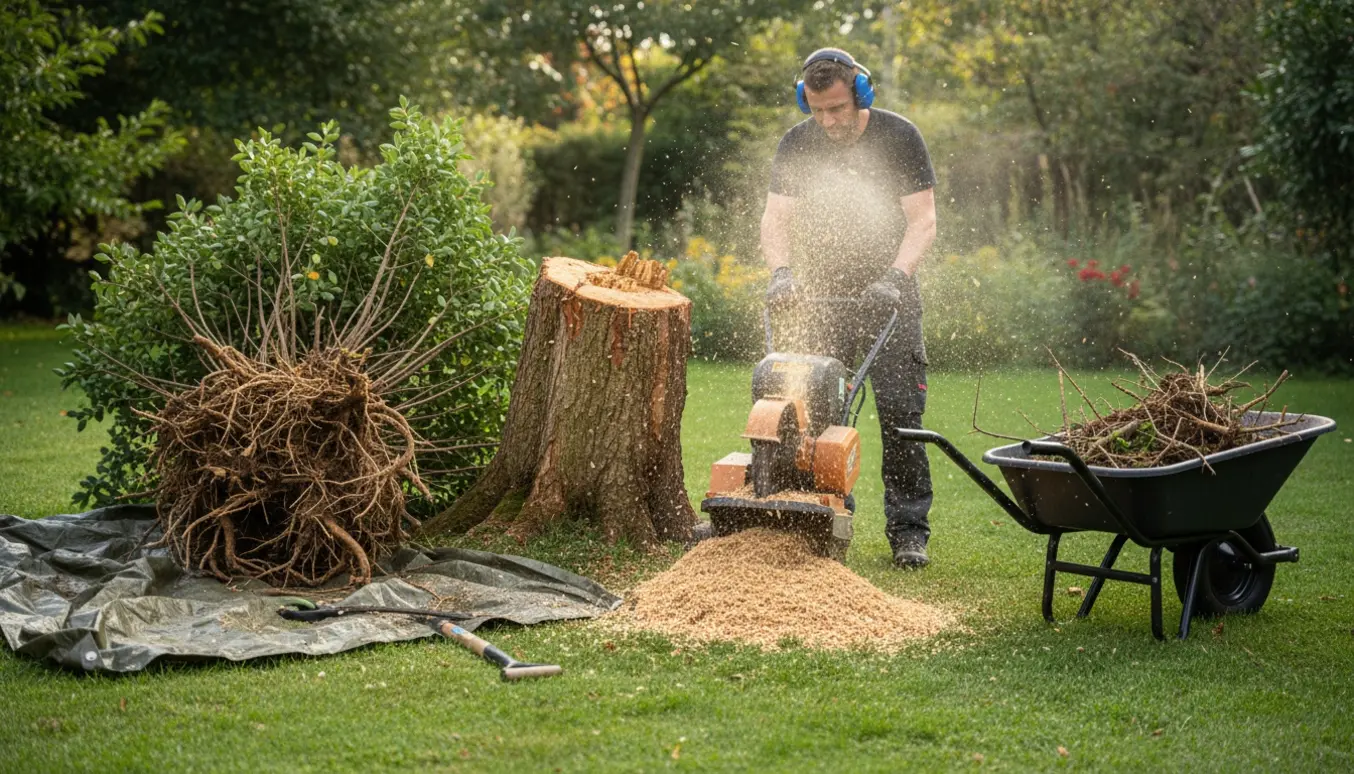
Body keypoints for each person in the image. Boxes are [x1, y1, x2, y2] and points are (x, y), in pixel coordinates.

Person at [759, 47, 938, 568]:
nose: (828, 121)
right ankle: (826, 517)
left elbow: (923, 220)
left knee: (901, 415)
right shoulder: (798, 142)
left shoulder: (899, 136)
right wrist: (781, 272)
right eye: (817, 111)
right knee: (815, 413)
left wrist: (895, 277)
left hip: (890, 299)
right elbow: (776, 218)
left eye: (837, 108)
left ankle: (909, 531)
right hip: (820, 298)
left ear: (860, 94)